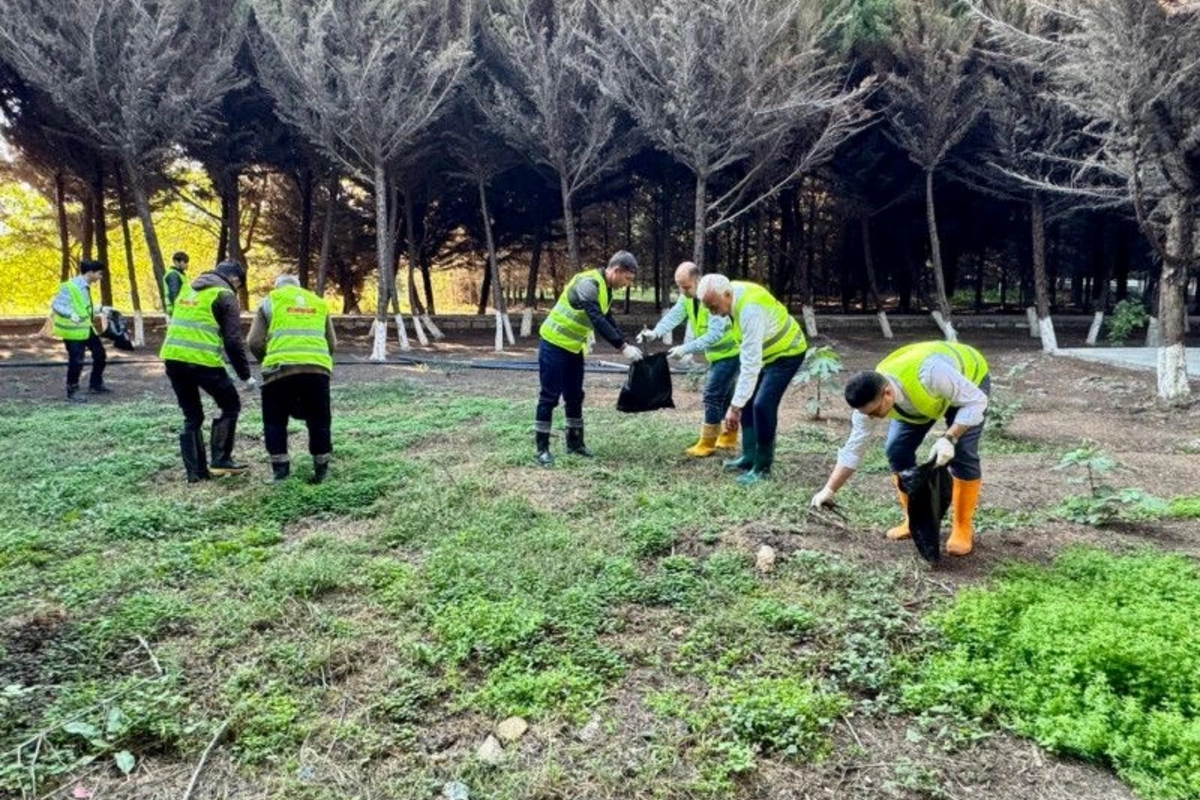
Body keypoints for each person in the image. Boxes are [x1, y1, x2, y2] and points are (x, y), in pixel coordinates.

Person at [809, 341, 990, 557]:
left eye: (876, 411)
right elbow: (853, 449)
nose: (873, 417)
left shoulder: (930, 373)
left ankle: (962, 526)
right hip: (922, 400)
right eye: (868, 414)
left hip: (967, 382)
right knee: (897, 450)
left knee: (963, 453)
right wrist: (829, 490)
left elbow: (976, 402)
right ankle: (912, 521)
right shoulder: (869, 407)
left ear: (887, 393)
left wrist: (950, 438)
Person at [696, 274, 807, 484]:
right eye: (708, 307)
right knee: (747, 401)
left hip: (787, 353)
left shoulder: (750, 311)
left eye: (713, 306)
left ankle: (763, 467)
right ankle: (749, 457)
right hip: (766, 355)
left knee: (763, 404)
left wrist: (734, 407)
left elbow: (750, 365)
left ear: (727, 295)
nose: (712, 312)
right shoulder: (729, 295)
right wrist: (739, 403)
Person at [535, 250, 643, 466]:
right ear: (617, 270)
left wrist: (626, 342)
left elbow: (607, 318)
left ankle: (575, 443)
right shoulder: (588, 283)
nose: (627, 284)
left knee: (575, 395)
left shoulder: (606, 289)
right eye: (627, 278)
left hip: (573, 348)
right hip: (553, 344)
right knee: (549, 396)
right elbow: (596, 318)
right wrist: (622, 347)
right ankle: (542, 450)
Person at [159, 260, 255, 482]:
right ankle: (221, 461)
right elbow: (232, 340)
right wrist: (246, 376)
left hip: (173, 359)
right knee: (230, 405)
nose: (237, 290)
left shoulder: (188, 289)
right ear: (235, 279)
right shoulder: (225, 295)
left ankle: (195, 473)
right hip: (203, 362)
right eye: (238, 286)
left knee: (192, 416)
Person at [638, 262, 740, 457]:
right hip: (718, 356)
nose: (682, 290)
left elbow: (714, 335)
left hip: (731, 354)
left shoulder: (712, 299)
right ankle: (728, 437)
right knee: (725, 396)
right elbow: (674, 316)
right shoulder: (687, 299)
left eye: (685, 286)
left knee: (711, 396)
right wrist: (655, 333)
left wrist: (685, 349)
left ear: (698, 281)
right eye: (679, 286)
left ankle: (707, 443)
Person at [248, 274, 336, 483]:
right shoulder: (318, 302)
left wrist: (267, 361)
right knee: (320, 420)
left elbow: (254, 341)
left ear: (277, 286)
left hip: (279, 370)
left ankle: (281, 472)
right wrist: (318, 361)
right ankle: (322, 469)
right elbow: (332, 342)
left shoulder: (270, 301)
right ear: (299, 286)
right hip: (317, 370)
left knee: (275, 421)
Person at [50, 259, 110, 402]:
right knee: (77, 360)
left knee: (100, 354)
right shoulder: (69, 286)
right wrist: (70, 314)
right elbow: (57, 305)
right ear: (90, 273)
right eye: (99, 274)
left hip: (86, 328)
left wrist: (100, 309)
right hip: (73, 331)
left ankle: (95, 384)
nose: (101, 277)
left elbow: (83, 307)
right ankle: (72, 391)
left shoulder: (85, 286)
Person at [163, 251, 190, 317]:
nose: (187, 264)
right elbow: (174, 295)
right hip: (177, 310)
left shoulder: (181, 275)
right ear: (176, 262)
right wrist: (180, 310)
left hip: (181, 308)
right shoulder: (173, 275)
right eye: (185, 262)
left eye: (187, 262)